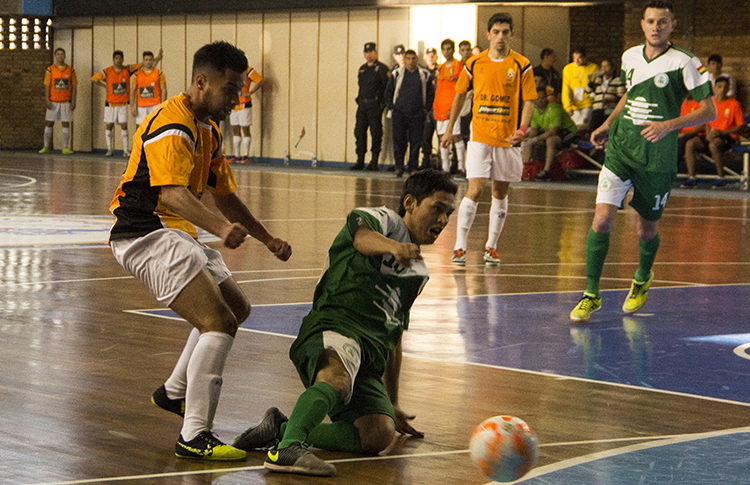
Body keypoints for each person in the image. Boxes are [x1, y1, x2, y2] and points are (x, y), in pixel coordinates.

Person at [108, 41, 292, 460]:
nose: (236, 99)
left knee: (238, 308)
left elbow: (224, 195)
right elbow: (172, 193)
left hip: (174, 233)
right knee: (219, 322)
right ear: (200, 82)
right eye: (230, 90)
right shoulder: (172, 123)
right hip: (143, 233)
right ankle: (194, 435)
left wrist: (266, 238)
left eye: (240, 90)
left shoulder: (208, 128)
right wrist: (221, 229)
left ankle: (174, 392)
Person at [231, 169, 457, 476]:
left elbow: (395, 338)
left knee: (379, 433)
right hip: (335, 324)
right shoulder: (382, 220)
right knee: (337, 379)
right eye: (437, 209)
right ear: (409, 202)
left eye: (449, 213)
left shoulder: (418, 273)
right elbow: (362, 238)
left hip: (369, 354)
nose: (443, 221)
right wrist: (394, 247)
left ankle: (281, 428)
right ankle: (287, 449)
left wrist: (393, 401)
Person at [569, 0, 716, 323]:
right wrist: (608, 124)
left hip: (656, 158)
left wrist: (667, 125)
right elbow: (630, 93)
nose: (656, 27)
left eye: (662, 22)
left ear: (673, 25)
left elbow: (709, 111)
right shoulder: (630, 56)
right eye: (650, 21)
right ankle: (591, 294)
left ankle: (642, 276)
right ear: (642, 23)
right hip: (622, 148)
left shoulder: (685, 62)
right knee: (602, 218)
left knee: (645, 229)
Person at [441, 12, 536, 266]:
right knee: (475, 188)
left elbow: (529, 101)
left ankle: (491, 246)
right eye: (496, 32)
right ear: (488, 35)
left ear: (511, 35)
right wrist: (450, 129)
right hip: (480, 136)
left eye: (505, 32)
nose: (501, 37)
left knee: (500, 191)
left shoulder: (521, 65)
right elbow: (460, 95)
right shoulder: (474, 63)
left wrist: (523, 129)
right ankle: (460, 246)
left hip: (508, 139)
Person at [91, 49, 162, 157]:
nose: (118, 60)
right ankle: (109, 149)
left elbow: (144, 64)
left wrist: (158, 57)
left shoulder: (127, 69)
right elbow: (93, 79)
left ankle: (125, 150)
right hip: (110, 103)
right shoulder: (108, 71)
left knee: (124, 125)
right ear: (113, 59)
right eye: (116, 58)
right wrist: (104, 86)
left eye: (120, 58)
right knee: (109, 125)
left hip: (123, 103)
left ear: (123, 59)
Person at [683, 77, 744, 188]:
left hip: (728, 136)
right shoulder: (711, 103)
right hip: (711, 135)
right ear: (715, 89)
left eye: (726, 87)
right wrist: (707, 134)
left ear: (729, 88)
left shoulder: (734, 104)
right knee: (690, 143)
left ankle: (721, 178)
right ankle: (692, 177)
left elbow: (739, 126)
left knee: (714, 144)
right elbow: (706, 121)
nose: (723, 89)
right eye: (720, 87)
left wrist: (721, 132)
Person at [384, 49, 435, 177]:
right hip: (400, 113)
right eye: (408, 59)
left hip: (417, 113)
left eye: (413, 59)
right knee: (399, 141)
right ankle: (399, 167)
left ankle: (413, 167)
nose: (411, 61)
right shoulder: (396, 74)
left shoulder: (424, 75)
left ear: (417, 60)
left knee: (416, 141)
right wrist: (391, 107)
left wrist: (426, 109)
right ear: (404, 60)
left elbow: (430, 94)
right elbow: (388, 92)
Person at [524, 87, 578, 181]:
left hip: (568, 132)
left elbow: (553, 130)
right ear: (534, 101)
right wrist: (528, 139)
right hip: (550, 133)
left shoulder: (554, 108)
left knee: (550, 140)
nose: (541, 101)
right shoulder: (535, 110)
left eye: (543, 98)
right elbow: (534, 130)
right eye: (538, 98)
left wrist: (536, 139)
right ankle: (525, 168)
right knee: (528, 141)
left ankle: (546, 171)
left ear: (546, 98)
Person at [351, 42, 390, 171]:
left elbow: (387, 87)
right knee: (359, 132)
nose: (368, 55)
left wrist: (382, 104)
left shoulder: (382, 69)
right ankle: (360, 160)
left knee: (376, 133)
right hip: (363, 104)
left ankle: (374, 161)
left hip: (375, 105)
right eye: (366, 52)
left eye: (371, 52)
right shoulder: (362, 69)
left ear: (375, 52)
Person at [433, 39, 465, 174]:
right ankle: (444, 168)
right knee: (442, 137)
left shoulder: (459, 65)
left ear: (453, 50)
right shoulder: (439, 68)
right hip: (440, 106)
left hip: (453, 106)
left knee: (456, 135)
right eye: (444, 49)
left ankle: (461, 167)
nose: (446, 52)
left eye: (449, 49)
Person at [39, 48, 77, 155]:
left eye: (62, 54)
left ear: (65, 56)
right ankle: (45, 146)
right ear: (55, 56)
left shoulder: (70, 70)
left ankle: (65, 147)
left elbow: (74, 86)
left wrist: (73, 101)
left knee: (66, 124)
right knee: (49, 123)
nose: (60, 56)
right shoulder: (50, 70)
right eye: (58, 54)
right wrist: (47, 99)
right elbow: (47, 85)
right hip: (53, 101)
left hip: (66, 102)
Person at [227, 65, 263, 164]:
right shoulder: (231, 70)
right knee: (235, 128)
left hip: (244, 104)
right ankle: (237, 155)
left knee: (245, 129)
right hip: (234, 103)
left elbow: (260, 81)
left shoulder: (248, 70)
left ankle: (246, 155)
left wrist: (250, 92)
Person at [562, 46, 598, 127]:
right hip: (574, 105)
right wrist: (567, 106)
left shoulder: (594, 68)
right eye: (574, 58)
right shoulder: (568, 69)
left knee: (584, 127)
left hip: (588, 103)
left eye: (579, 58)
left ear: (586, 57)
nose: (576, 61)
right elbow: (565, 88)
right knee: (574, 128)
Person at [586, 58, 626, 131]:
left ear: (612, 68)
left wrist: (610, 100)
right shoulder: (598, 80)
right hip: (597, 109)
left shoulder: (617, 81)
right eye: (602, 66)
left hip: (610, 109)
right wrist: (592, 79)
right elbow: (588, 90)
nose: (604, 69)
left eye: (606, 66)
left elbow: (620, 96)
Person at [130, 50, 167, 126]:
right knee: (140, 128)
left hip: (155, 105)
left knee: (155, 127)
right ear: (143, 61)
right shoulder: (137, 74)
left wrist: (162, 105)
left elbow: (163, 89)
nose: (148, 62)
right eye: (146, 60)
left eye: (150, 60)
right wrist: (132, 106)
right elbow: (133, 90)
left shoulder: (159, 73)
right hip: (141, 106)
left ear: (152, 60)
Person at [419, 47, 439, 170]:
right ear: (425, 58)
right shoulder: (421, 72)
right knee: (425, 136)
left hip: (439, 109)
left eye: (433, 56)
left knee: (442, 138)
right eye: (428, 56)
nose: (431, 58)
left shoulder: (441, 70)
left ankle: (445, 163)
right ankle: (425, 161)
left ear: (436, 57)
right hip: (427, 109)